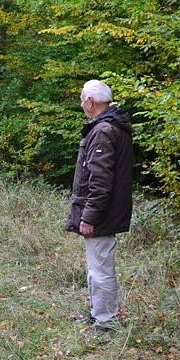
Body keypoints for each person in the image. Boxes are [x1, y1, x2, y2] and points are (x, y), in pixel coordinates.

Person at [65, 79, 134, 334]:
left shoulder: (104, 131)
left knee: (101, 269)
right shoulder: (110, 127)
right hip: (106, 211)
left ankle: (105, 321)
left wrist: (89, 216)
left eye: (82, 98)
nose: (82, 103)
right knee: (98, 266)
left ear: (90, 101)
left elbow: (100, 180)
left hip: (102, 214)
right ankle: (98, 315)